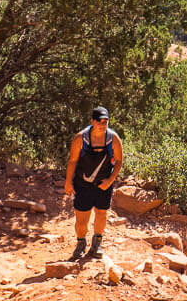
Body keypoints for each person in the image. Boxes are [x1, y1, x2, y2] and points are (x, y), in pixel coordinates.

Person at [64, 106, 123, 260]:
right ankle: (80, 244)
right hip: (82, 184)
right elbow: (73, 161)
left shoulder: (113, 138)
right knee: (82, 218)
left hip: (103, 183)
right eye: (100, 121)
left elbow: (119, 161)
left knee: (101, 213)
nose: (103, 125)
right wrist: (68, 182)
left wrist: (110, 181)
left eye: (106, 121)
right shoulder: (80, 138)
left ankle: (96, 244)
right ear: (92, 121)